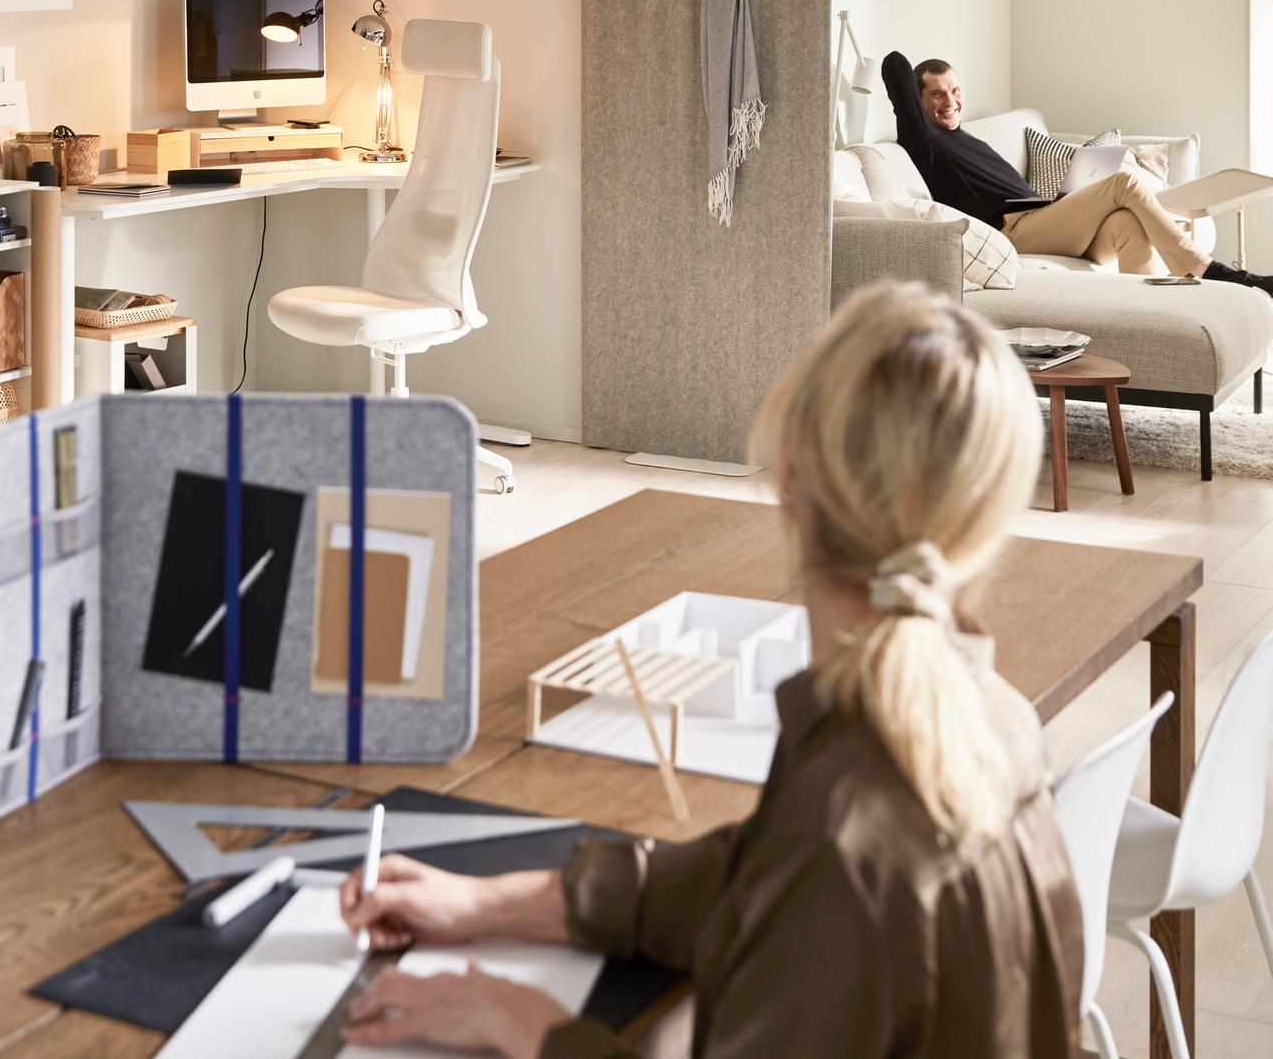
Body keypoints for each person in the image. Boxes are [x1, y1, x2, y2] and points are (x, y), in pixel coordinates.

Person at [339, 282, 1085, 1059]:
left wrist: (524, 1024)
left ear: (793, 475)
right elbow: (754, 879)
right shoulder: (994, 715)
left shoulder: (840, 833)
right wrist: (495, 901)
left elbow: (809, 884)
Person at [884, 50, 1273, 297]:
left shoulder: (966, 137)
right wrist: (915, 106)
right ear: (917, 103)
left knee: (1124, 223)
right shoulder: (925, 142)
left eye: (954, 90)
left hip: (1044, 216)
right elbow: (895, 65)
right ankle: (1209, 270)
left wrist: (1066, 202)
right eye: (936, 94)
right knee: (1125, 182)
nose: (950, 101)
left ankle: (1156, 314)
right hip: (1014, 231)